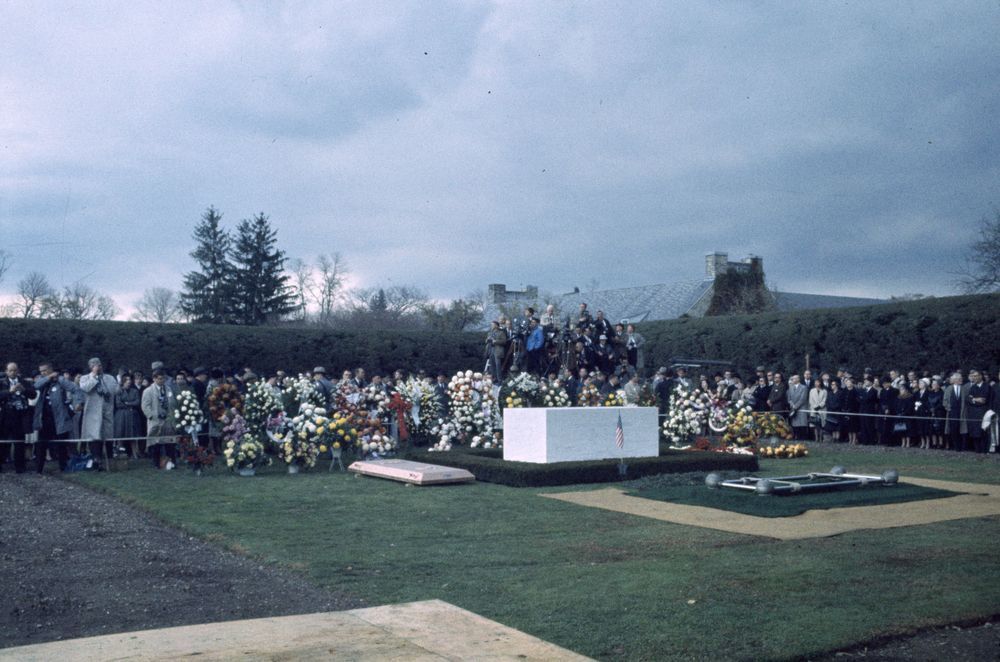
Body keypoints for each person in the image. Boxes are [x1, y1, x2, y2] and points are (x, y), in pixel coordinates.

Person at [32, 363, 77, 473]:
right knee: (41, 445)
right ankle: (39, 469)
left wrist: (77, 404)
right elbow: (36, 386)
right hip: (44, 418)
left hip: (59, 418)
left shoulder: (60, 381)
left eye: (45, 370)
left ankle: (63, 467)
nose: (42, 373)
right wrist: (48, 377)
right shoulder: (42, 382)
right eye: (41, 371)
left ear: (51, 369)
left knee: (61, 444)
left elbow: (75, 388)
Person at [0, 362, 38, 473]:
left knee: (20, 442)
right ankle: (2, 464)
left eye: (15, 370)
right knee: (3, 442)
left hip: (20, 416)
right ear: (6, 371)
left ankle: (20, 466)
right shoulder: (2, 382)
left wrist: (24, 390)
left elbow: (33, 394)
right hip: (6, 416)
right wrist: (9, 391)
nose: (13, 372)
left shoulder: (24, 382)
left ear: (18, 371)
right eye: (10, 370)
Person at [79, 357, 119, 462]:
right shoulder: (85, 378)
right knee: (94, 434)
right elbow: (85, 388)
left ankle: (110, 457)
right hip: (93, 412)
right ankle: (96, 458)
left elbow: (116, 390)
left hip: (107, 409)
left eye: (99, 365)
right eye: (95, 366)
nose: (98, 367)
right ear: (90, 367)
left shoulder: (109, 378)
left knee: (108, 434)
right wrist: (94, 377)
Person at [142, 369, 177, 469]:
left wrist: (172, 415)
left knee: (169, 442)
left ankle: (172, 462)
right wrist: (152, 416)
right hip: (155, 421)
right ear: (154, 379)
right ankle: (156, 463)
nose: (162, 381)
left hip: (167, 420)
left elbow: (173, 403)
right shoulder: (148, 391)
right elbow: (145, 406)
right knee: (155, 443)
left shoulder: (169, 389)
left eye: (163, 379)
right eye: (160, 379)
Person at [113, 374, 143, 458]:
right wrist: (129, 405)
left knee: (132, 435)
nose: (128, 382)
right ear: (123, 382)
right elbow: (118, 404)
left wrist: (127, 403)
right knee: (120, 434)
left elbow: (137, 402)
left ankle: (135, 453)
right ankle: (120, 453)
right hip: (121, 416)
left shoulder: (135, 391)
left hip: (132, 416)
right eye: (126, 380)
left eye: (129, 380)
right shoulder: (119, 391)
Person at [965, 370, 992, 453]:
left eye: (976, 376)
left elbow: (984, 400)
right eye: (973, 376)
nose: (974, 378)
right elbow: (968, 399)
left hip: (983, 412)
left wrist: (973, 399)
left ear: (981, 376)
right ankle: (977, 450)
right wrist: (975, 399)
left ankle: (984, 450)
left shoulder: (987, 387)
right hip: (973, 413)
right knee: (975, 432)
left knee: (983, 431)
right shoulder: (973, 387)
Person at [943, 372, 967, 451]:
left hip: (962, 412)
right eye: (959, 379)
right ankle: (956, 447)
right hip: (952, 412)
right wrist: (948, 408)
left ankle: (963, 447)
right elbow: (945, 401)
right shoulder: (948, 388)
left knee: (963, 430)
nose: (961, 380)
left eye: (961, 378)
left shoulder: (964, 388)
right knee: (953, 430)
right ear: (955, 380)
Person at [787, 375, 809, 440]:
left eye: (793, 379)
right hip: (793, 409)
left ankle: (803, 438)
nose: (792, 380)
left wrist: (795, 406)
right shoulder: (791, 388)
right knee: (795, 424)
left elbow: (803, 399)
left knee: (802, 424)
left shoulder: (803, 387)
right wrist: (792, 405)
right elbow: (789, 399)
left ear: (798, 379)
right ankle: (796, 437)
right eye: (792, 379)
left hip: (801, 408)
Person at [927, 378, 946, 449]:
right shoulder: (930, 393)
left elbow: (942, 403)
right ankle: (934, 443)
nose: (933, 385)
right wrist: (930, 408)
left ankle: (941, 443)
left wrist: (935, 408)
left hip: (939, 412)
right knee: (932, 429)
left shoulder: (942, 393)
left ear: (938, 385)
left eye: (934, 384)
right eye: (932, 384)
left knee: (939, 429)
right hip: (931, 412)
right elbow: (927, 402)